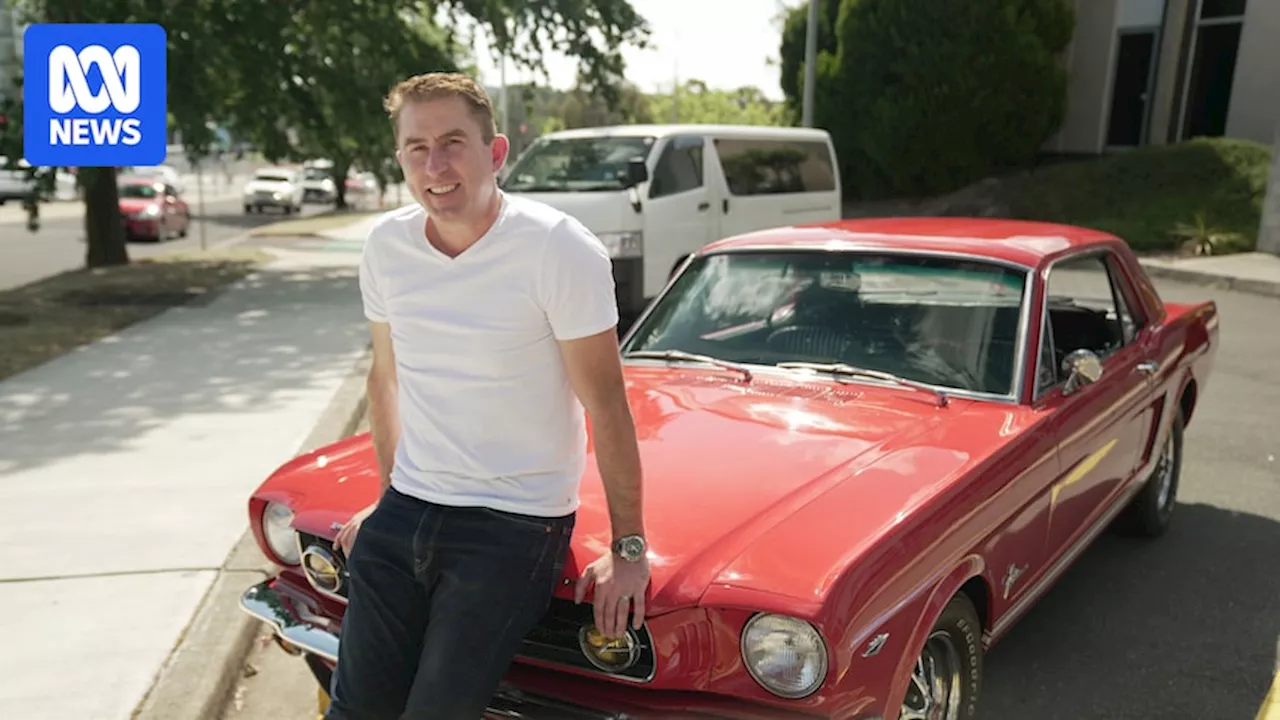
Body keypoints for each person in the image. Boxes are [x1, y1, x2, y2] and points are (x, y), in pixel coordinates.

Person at [323, 72, 650, 720]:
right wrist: (387, 500)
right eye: (417, 148)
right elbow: (385, 379)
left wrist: (629, 550)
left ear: (495, 153)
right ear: (400, 161)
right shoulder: (387, 247)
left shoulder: (556, 249)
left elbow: (607, 406)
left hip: (514, 524)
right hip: (410, 507)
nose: (435, 165)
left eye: (452, 143)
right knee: (355, 712)